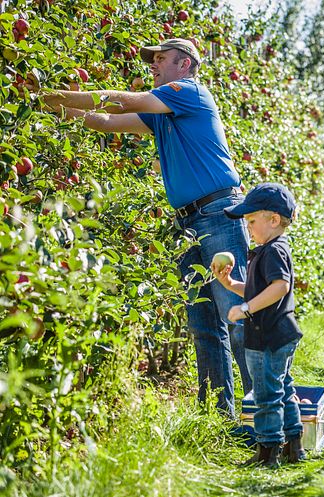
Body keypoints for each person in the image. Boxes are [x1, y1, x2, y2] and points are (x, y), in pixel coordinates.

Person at [40, 38, 252, 417]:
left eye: (161, 59)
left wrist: (58, 92)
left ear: (184, 64)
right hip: (188, 220)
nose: (154, 65)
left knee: (234, 313)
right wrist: (53, 106)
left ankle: (263, 410)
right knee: (203, 322)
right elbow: (106, 121)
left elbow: (123, 101)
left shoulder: (189, 92)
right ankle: (219, 419)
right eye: (152, 61)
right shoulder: (163, 112)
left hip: (220, 213)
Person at [212, 183, 305, 467]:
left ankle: (268, 453)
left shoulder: (274, 251)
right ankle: (294, 446)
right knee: (283, 390)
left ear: (273, 220)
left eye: (252, 221)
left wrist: (245, 308)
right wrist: (230, 284)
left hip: (269, 337)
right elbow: (259, 289)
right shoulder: (269, 249)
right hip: (279, 334)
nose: (248, 228)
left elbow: (279, 287)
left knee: (266, 395)